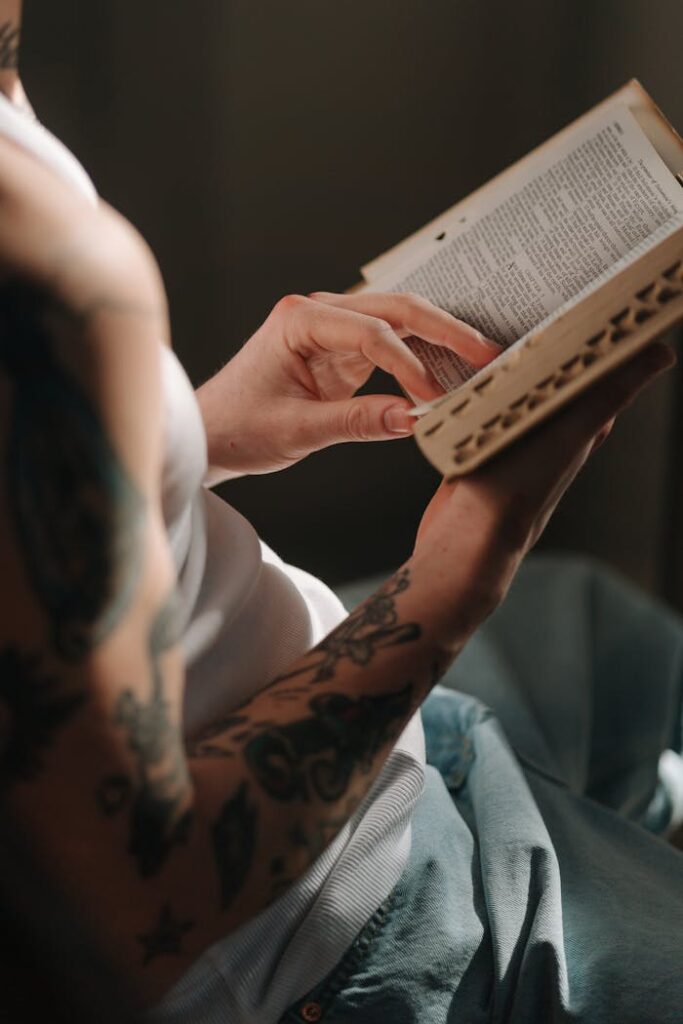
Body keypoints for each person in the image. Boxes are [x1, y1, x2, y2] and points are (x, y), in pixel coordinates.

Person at [0, 3, 681, 1021]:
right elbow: (126, 919)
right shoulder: (42, 266)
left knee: (603, 629)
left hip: (382, 753)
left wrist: (192, 432)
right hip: (338, 938)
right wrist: (451, 582)